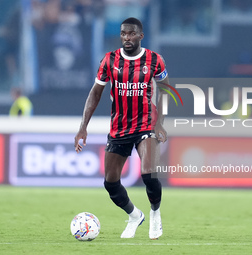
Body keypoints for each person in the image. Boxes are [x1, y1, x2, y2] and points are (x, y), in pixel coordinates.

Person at [74, 17, 169, 239]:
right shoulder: (109, 60)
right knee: (110, 182)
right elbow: (95, 93)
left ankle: (155, 214)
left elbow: (166, 91)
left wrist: (160, 122)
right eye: (123, 33)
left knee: (149, 173)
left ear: (140, 36)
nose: (127, 37)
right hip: (119, 128)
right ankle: (135, 215)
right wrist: (82, 127)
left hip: (146, 123)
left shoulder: (155, 60)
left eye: (131, 33)